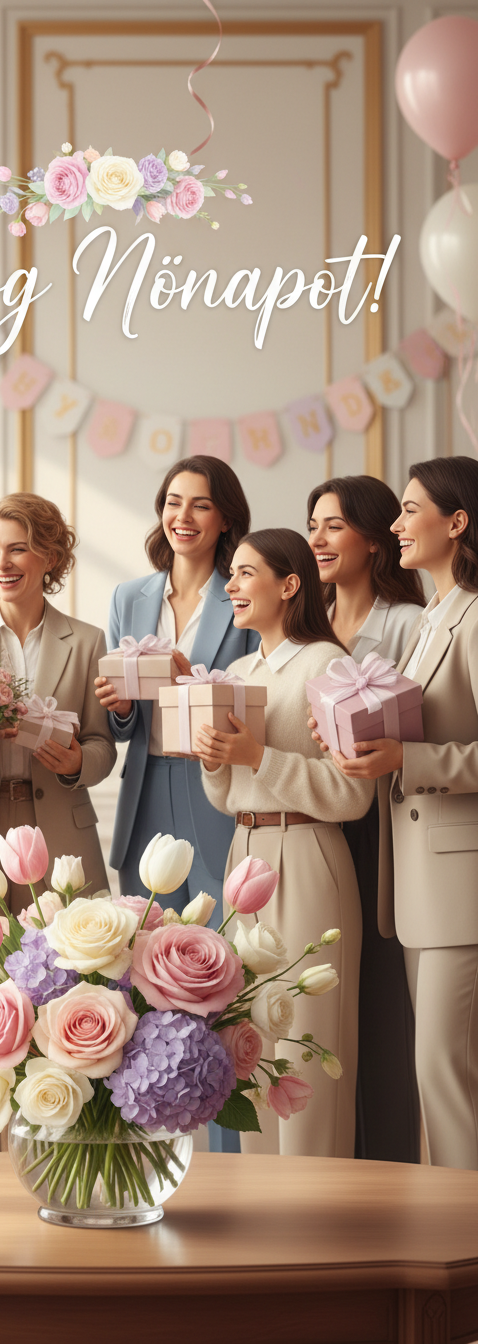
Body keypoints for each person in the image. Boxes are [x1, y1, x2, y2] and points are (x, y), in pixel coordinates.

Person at [0, 491, 115, 1156]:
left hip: (60, 832)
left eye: (17, 548)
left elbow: (102, 746)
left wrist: (76, 761)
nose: (2, 563)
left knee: (65, 989)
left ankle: (65, 1147)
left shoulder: (87, 640)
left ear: (49, 556)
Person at [196, 528, 374, 1158]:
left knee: (305, 1035)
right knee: (251, 1042)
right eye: (231, 575)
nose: (232, 587)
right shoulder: (240, 671)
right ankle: (262, 1211)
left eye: (246, 574)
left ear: (289, 584)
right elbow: (227, 797)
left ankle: (320, 1218)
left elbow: (354, 796)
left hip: (306, 855)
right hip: (242, 857)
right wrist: (218, 760)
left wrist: (258, 755)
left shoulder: (330, 664)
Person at [328, 458, 478, 1170]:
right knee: (442, 1079)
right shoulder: (436, 618)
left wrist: (405, 761)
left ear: (457, 523)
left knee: (449, 1078)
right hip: (424, 887)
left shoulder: (476, 616)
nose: (396, 523)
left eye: (411, 509)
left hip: (463, 888)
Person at [307, 476, 425, 1164]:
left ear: (374, 538)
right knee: (322, 1004)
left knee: (381, 1007)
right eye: (313, 525)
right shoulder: (310, 619)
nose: (317, 539)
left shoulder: (410, 623)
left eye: (333, 526)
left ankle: (386, 1167)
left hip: (380, 829)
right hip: (319, 825)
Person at [94, 455, 257, 913]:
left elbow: (258, 700)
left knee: (221, 949)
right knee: (145, 950)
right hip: (145, 789)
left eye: (200, 506)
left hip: (217, 787)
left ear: (225, 518)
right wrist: (121, 706)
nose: (182, 517)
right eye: (173, 502)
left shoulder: (244, 598)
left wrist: (194, 689)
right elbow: (120, 727)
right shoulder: (128, 597)